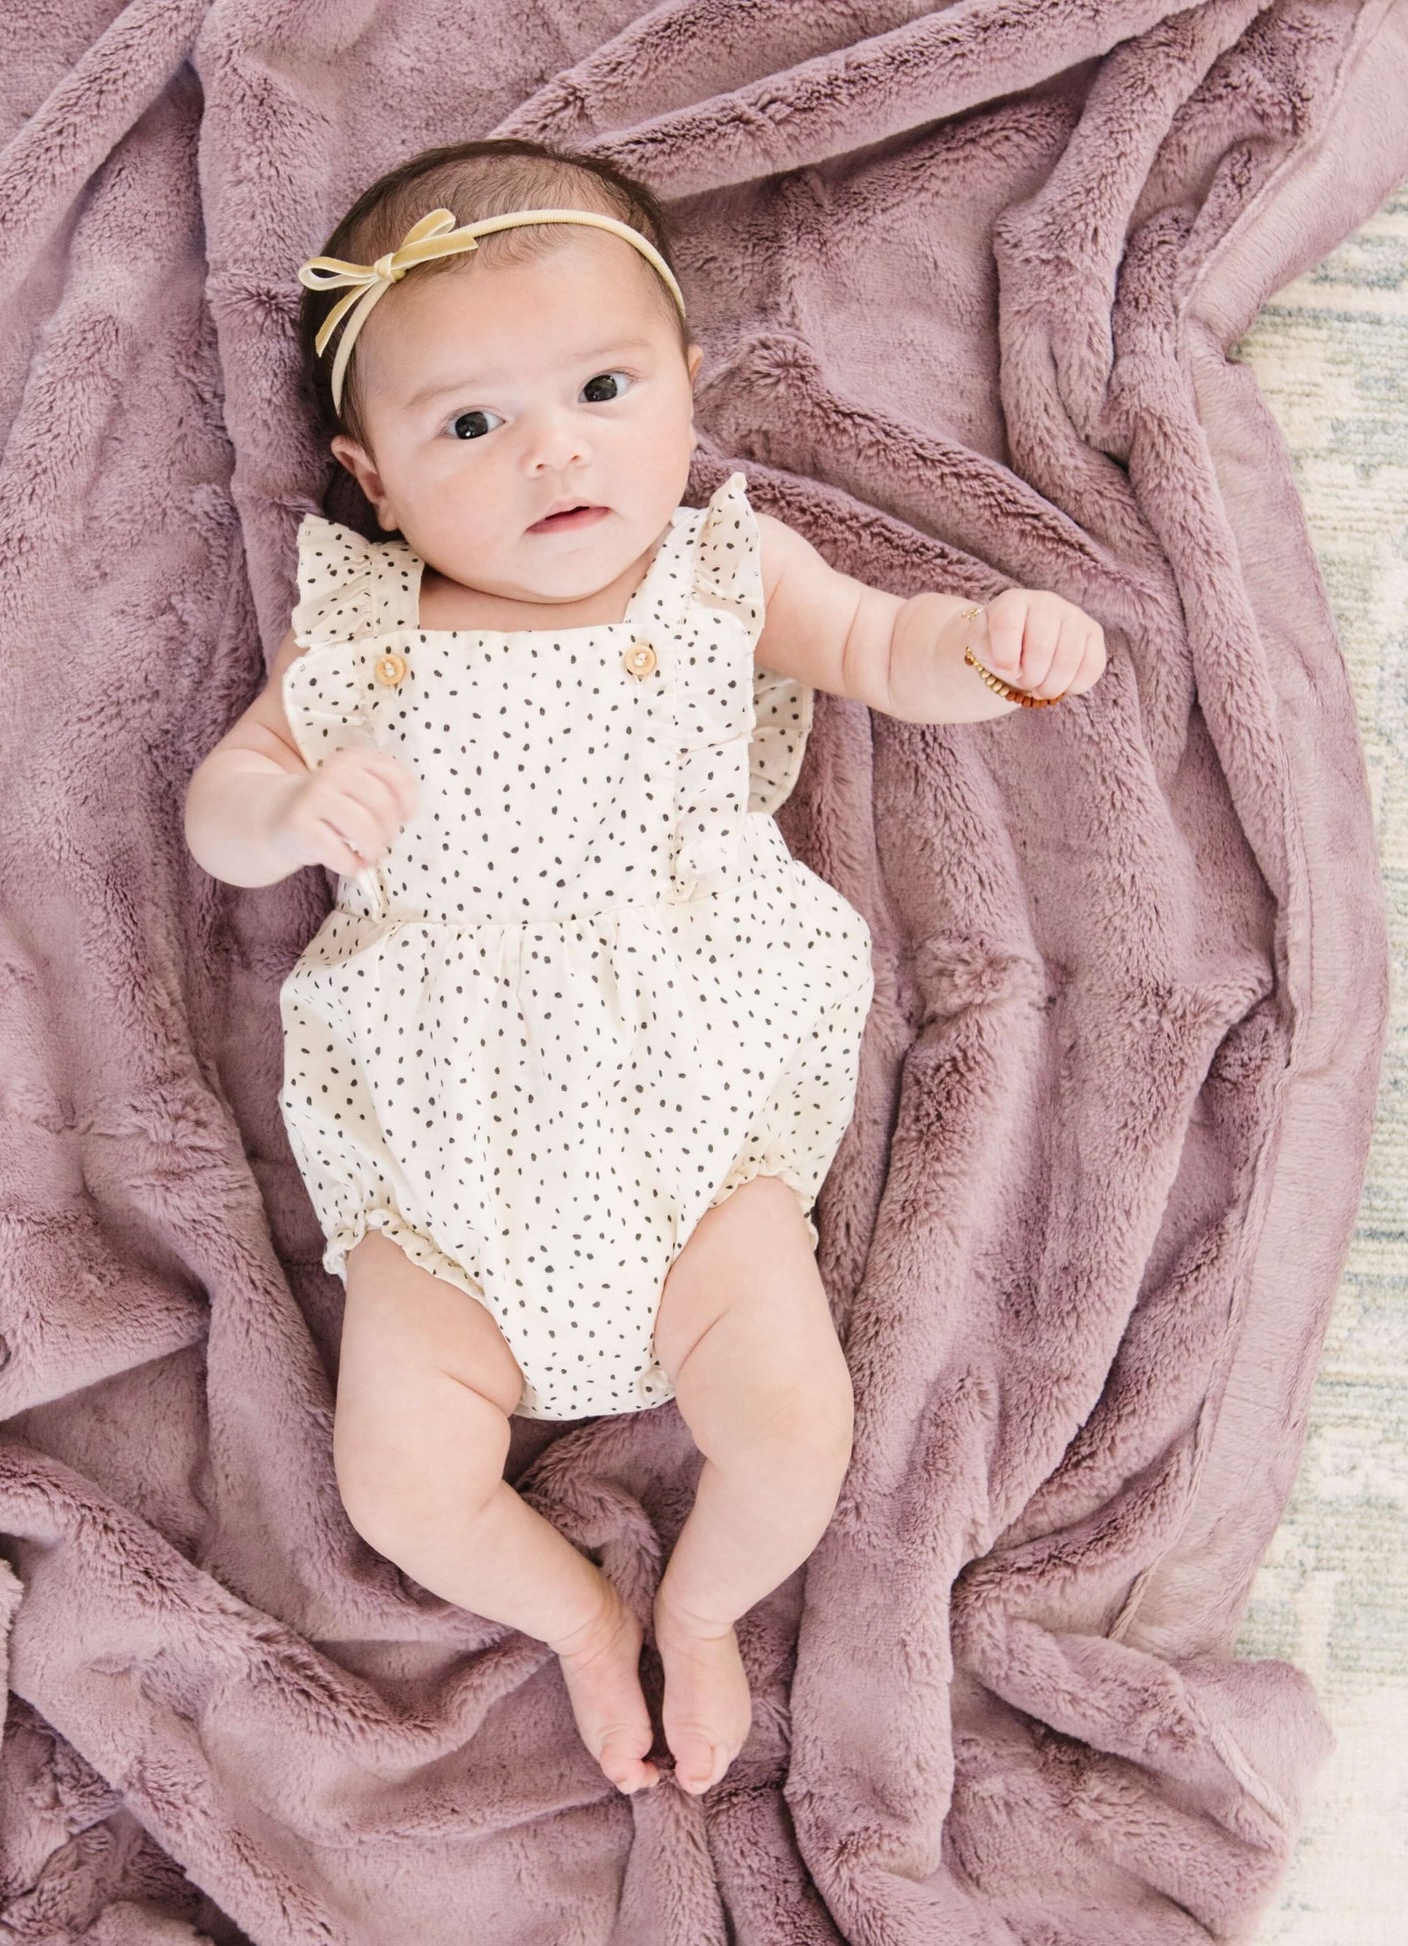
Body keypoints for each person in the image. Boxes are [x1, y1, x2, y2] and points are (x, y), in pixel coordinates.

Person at [184, 137, 1106, 1802]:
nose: (553, 451)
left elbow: (892, 649)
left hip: (688, 1133)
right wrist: (293, 807)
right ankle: (576, 1619)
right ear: (373, 477)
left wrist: (995, 647)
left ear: (683, 382)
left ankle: (697, 1604)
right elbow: (224, 808)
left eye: (602, 386)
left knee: (790, 1426)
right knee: (398, 1479)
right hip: (449, 1161)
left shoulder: (715, 577)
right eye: (468, 423)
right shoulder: (363, 632)